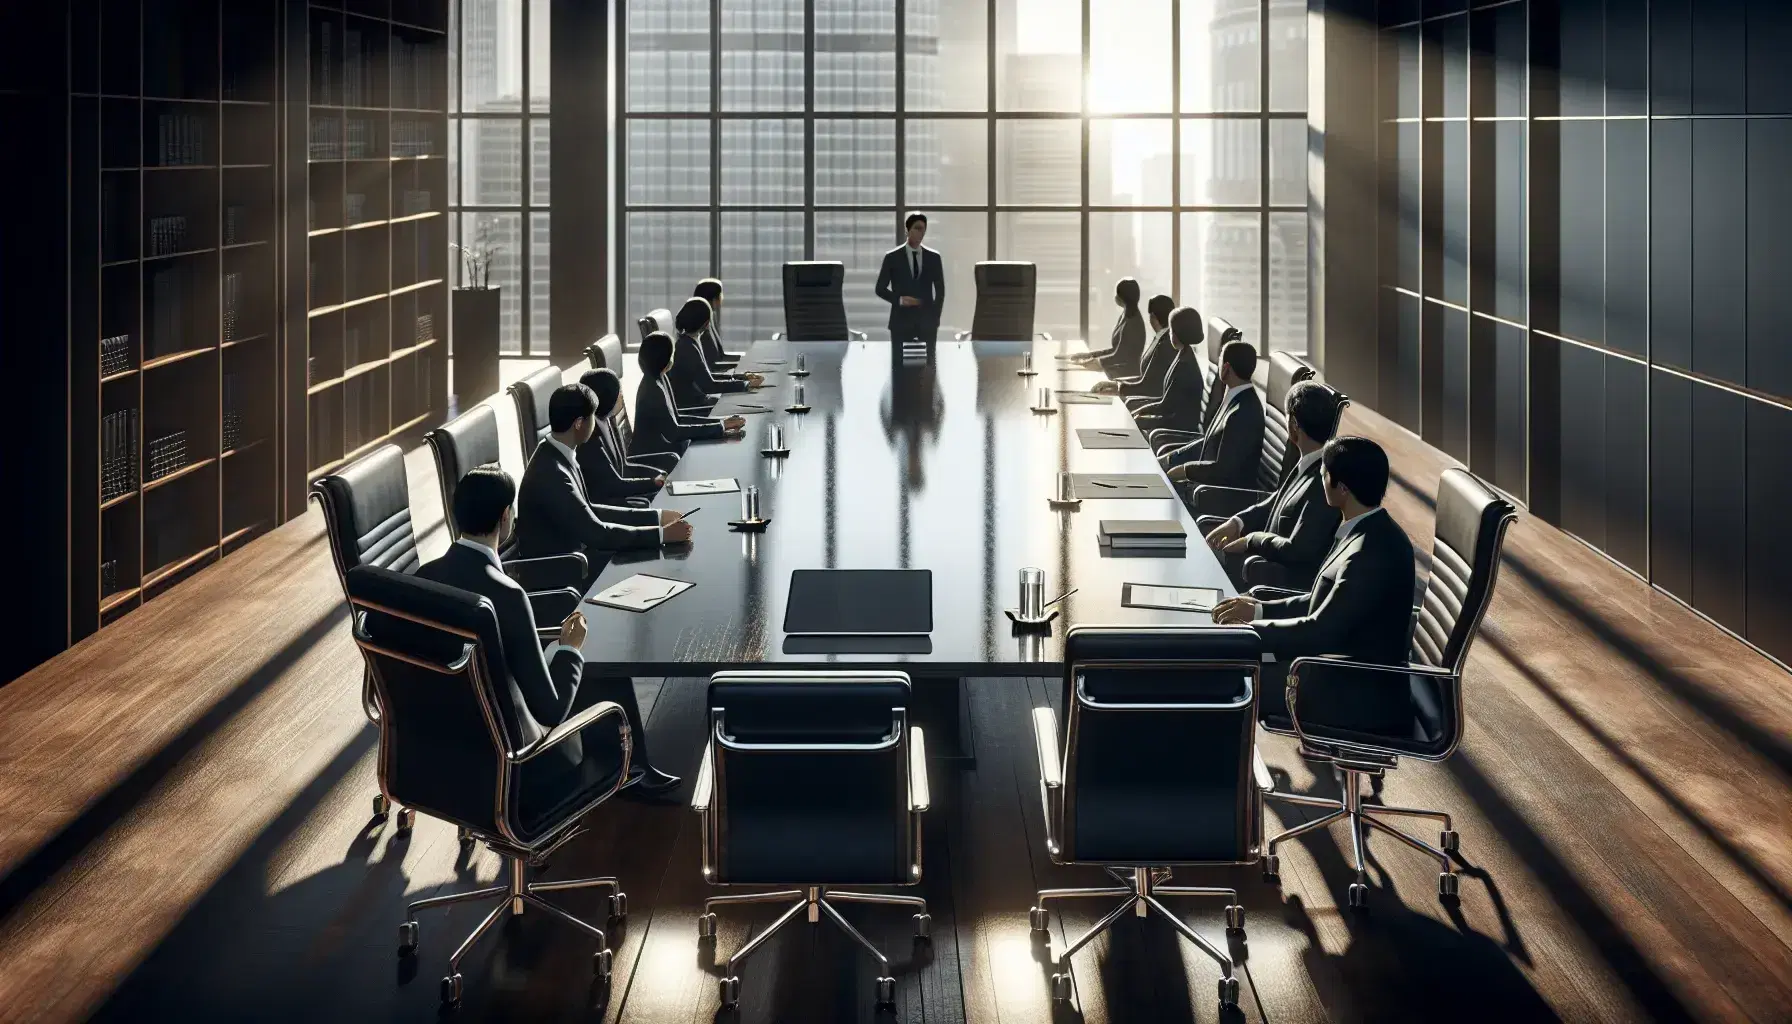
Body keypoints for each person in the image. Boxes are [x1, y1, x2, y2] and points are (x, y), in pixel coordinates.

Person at [414, 464, 681, 802]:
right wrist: (570, 648)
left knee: (563, 653)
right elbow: (550, 711)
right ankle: (629, 772)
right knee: (590, 657)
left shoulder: (424, 577)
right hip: (521, 760)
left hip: (449, 746)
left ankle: (632, 772)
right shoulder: (507, 596)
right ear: (506, 516)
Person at [1212, 436, 1417, 733]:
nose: (1320, 480)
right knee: (1236, 666)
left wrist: (1248, 633)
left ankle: (1229, 774)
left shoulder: (1369, 552)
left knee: (1230, 676)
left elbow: (1319, 630)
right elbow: (1319, 601)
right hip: (1340, 670)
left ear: (1342, 487)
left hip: (1355, 693)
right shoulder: (1365, 529)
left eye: (1323, 474)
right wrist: (1257, 612)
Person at [516, 383, 694, 565]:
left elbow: (590, 509)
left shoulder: (555, 450)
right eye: (592, 416)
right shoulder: (553, 473)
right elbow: (597, 534)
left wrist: (658, 516)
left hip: (577, 554)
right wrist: (662, 534)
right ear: (578, 423)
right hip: (563, 568)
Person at [1199, 381, 1347, 589]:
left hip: (1270, 585)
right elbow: (1276, 500)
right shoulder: (1308, 462)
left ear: (1294, 425)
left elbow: (1298, 551)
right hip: (1260, 567)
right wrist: (1237, 523)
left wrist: (1251, 540)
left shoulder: (1323, 483)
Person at [1163, 339, 1264, 489]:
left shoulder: (1243, 412)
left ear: (1226, 368)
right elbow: (1209, 442)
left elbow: (1224, 471)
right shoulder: (1236, 396)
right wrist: (1170, 459)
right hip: (1206, 484)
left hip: (1219, 496)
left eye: (1220, 361)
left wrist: (1185, 471)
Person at [633, 331, 746, 460]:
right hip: (656, 456)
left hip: (666, 449)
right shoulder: (653, 389)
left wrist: (721, 423)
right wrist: (721, 426)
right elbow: (674, 433)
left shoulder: (658, 378)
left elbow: (678, 419)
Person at [577, 368, 666, 506]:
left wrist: (656, 475)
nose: (621, 396)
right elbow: (613, 485)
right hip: (604, 506)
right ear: (607, 396)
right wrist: (652, 483)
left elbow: (623, 466)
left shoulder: (606, 419)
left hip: (616, 493)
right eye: (618, 392)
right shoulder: (591, 437)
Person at [1130, 305, 1214, 441]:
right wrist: (1142, 411)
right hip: (1173, 421)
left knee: (1134, 426)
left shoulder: (1185, 366)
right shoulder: (1184, 355)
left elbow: (1166, 406)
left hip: (1178, 428)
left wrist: (1141, 414)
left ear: (1176, 335)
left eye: (1171, 331)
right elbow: (1166, 402)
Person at [668, 297, 764, 410]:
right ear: (707, 323)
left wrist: (741, 378)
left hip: (696, 401)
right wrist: (745, 384)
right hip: (694, 407)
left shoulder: (686, 341)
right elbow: (709, 387)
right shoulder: (687, 348)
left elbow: (706, 378)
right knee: (751, 403)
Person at [876, 212, 945, 346]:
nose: (921, 233)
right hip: (901, 321)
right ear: (908, 230)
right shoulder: (892, 257)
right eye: (917, 228)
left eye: (923, 229)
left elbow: (940, 291)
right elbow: (880, 288)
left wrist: (935, 317)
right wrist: (900, 300)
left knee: (930, 363)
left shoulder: (933, 258)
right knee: (897, 363)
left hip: (926, 322)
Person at [1093, 293, 1177, 403]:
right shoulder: (1162, 339)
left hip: (1149, 404)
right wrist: (1116, 385)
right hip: (1145, 398)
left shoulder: (1166, 345)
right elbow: (1144, 378)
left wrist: (1119, 391)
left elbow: (1151, 387)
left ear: (1153, 317)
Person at [1075, 278, 1148, 378]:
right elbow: (1115, 350)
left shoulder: (1133, 322)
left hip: (1127, 374)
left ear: (1122, 297)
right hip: (1118, 369)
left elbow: (1120, 356)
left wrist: (1097, 362)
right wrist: (1090, 356)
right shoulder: (1126, 316)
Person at [692, 278, 744, 370]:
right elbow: (712, 363)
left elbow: (720, 356)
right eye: (720, 295)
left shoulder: (711, 316)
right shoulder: (701, 323)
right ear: (713, 299)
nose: (722, 299)